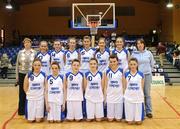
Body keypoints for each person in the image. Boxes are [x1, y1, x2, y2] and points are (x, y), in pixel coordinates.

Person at [131, 39, 155, 118]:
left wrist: (148, 71)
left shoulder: (149, 53)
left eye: (141, 43)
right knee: (139, 94)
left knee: (147, 94)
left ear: (144, 44)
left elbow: (152, 64)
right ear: (136, 45)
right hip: (138, 76)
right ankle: (141, 111)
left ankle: (149, 111)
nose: (139, 45)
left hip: (147, 75)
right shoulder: (134, 54)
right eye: (138, 43)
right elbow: (131, 64)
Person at [16, 38, 36, 115]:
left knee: (31, 91)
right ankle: (21, 111)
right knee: (22, 92)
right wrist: (17, 76)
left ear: (31, 43)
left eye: (28, 42)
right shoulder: (20, 53)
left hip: (31, 74)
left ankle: (30, 109)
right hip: (22, 74)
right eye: (25, 43)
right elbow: (17, 65)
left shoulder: (34, 52)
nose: (27, 44)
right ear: (23, 44)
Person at [123, 58, 144, 125]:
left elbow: (142, 87)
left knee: (138, 122)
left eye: (134, 64)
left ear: (137, 65)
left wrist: (141, 96)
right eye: (131, 64)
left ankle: (138, 117)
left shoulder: (141, 74)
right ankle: (129, 117)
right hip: (128, 97)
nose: (132, 66)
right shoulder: (126, 74)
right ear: (129, 65)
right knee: (129, 122)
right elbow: (125, 87)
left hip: (138, 97)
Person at [23, 58, 46, 122]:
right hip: (31, 98)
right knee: (30, 120)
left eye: (39, 65)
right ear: (33, 65)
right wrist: (28, 94)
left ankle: (41, 116)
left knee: (38, 120)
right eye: (35, 65)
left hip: (40, 98)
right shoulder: (29, 75)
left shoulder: (43, 75)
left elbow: (45, 87)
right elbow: (25, 87)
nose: (37, 67)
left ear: (41, 66)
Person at [104, 54, 124, 121]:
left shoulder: (122, 71)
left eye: (114, 61)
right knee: (110, 119)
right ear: (109, 62)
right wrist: (105, 96)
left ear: (117, 61)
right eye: (111, 62)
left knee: (118, 120)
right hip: (110, 97)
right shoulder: (106, 72)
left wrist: (123, 95)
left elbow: (124, 85)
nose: (112, 63)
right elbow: (105, 85)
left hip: (119, 97)